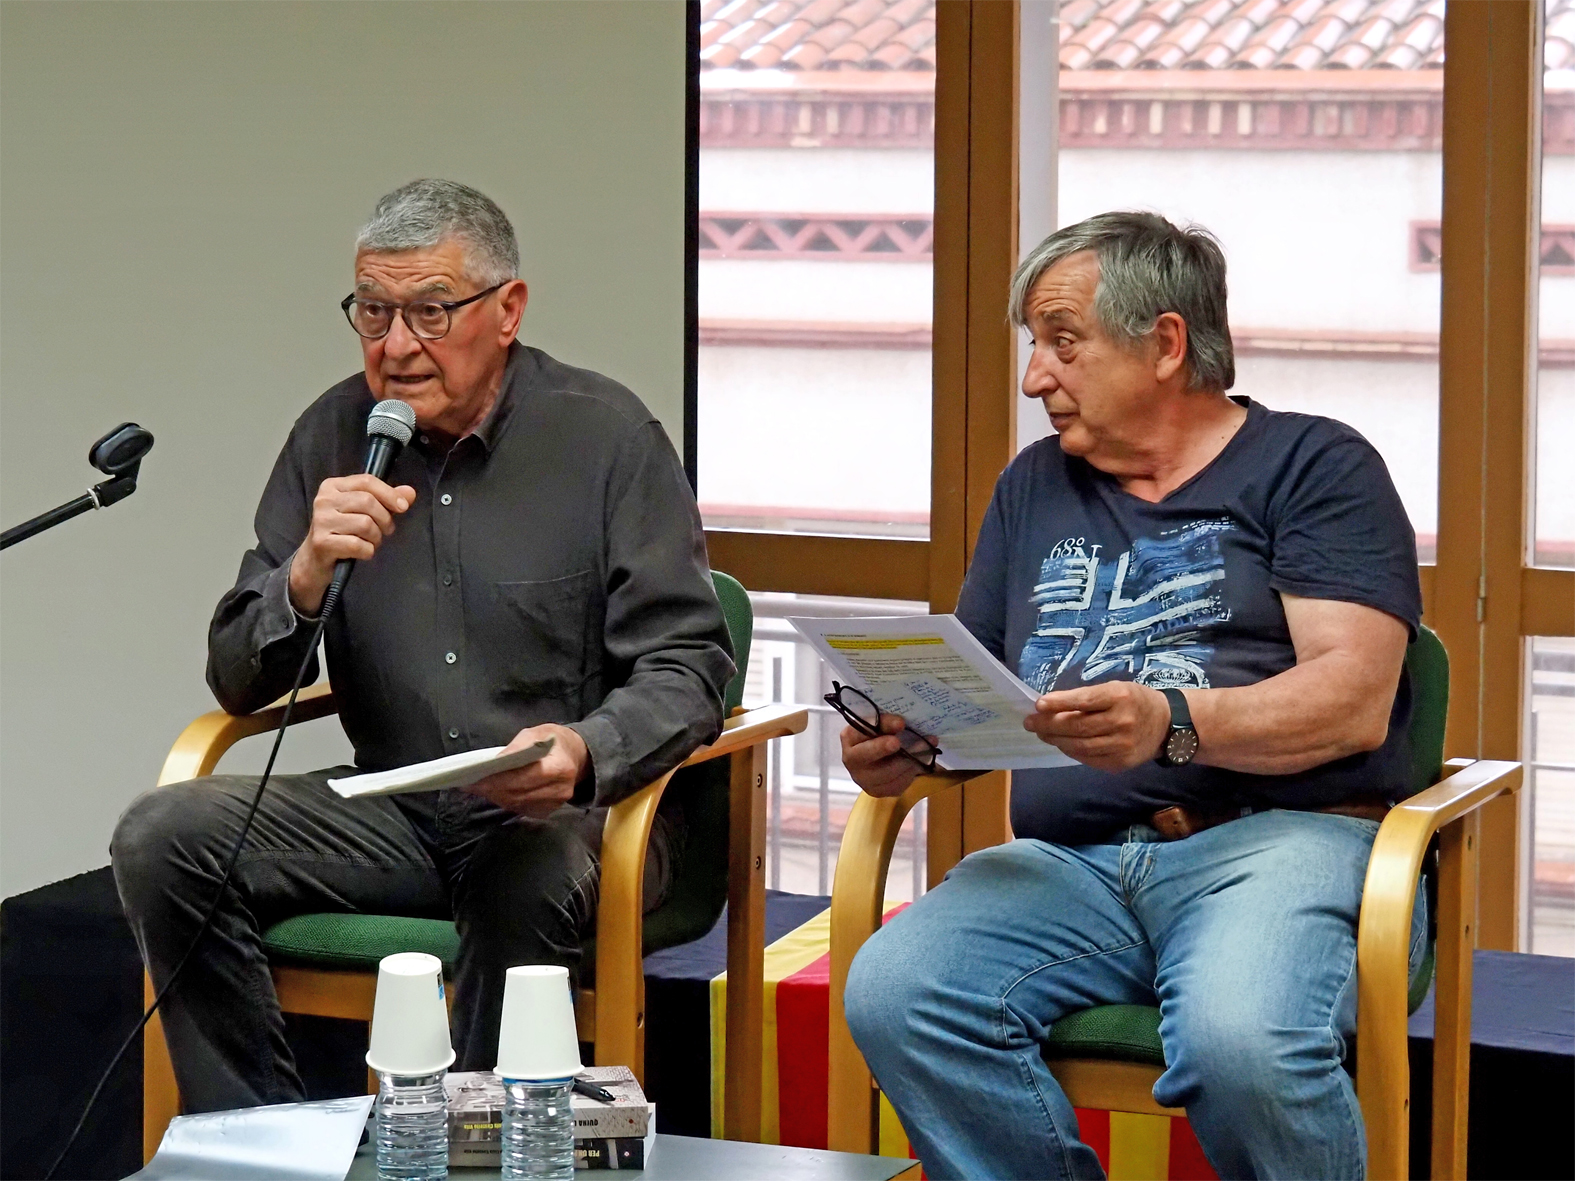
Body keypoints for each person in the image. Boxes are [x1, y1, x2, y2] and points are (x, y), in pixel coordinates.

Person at [112, 179, 734, 1112]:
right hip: (395, 807)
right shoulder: (333, 435)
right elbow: (238, 678)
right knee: (162, 835)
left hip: (566, 814)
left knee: (523, 871)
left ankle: (473, 1155)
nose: (396, 346)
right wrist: (305, 574)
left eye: (430, 312)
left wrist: (582, 750)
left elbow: (689, 664)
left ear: (507, 310)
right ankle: (262, 1139)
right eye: (373, 312)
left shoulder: (605, 438)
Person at [838, 211, 1427, 1180]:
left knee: (1241, 1041)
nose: (1035, 378)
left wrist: (1171, 722)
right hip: (1069, 865)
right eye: (1034, 346)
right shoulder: (1035, 484)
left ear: (1164, 343)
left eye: (1062, 342)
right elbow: (983, 687)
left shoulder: (1313, 465)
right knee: (901, 991)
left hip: (1275, 843)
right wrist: (912, 740)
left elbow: (1351, 698)